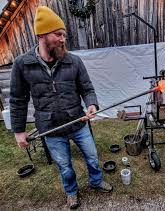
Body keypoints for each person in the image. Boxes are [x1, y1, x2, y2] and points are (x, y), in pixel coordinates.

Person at [10, 6, 113, 209]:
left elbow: (87, 88)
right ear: (42, 34)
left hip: (77, 121)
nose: (63, 39)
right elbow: (17, 99)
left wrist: (91, 104)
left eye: (64, 35)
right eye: (58, 34)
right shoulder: (22, 64)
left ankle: (96, 181)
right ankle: (71, 192)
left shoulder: (73, 61)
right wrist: (19, 131)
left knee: (92, 156)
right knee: (64, 166)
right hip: (51, 127)